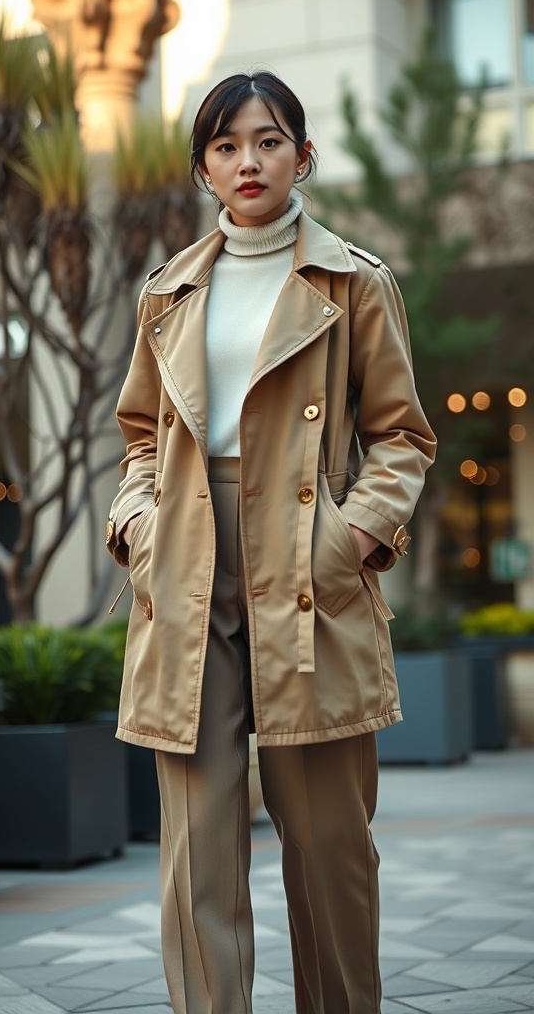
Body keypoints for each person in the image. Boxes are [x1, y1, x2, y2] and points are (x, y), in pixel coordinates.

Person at [106, 70, 436, 1014]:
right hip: (185, 560)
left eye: (266, 140)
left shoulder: (355, 281)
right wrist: (137, 521)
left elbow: (402, 436)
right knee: (196, 851)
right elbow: (142, 434)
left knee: (330, 846)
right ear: (204, 168)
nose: (246, 161)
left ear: (302, 153)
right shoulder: (166, 291)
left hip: (310, 563)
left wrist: (349, 538)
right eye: (225, 146)